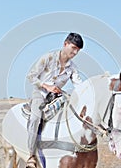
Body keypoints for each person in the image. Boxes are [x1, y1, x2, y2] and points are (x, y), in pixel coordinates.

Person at [25, 32, 84, 168]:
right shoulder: (48, 58)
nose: (75, 52)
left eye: (78, 50)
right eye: (73, 48)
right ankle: (31, 156)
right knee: (35, 118)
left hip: (57, 96)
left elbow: (79, 85)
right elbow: (31, 76)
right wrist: (47, 86)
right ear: (65, 44)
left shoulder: (73, 68)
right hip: (40, 93)